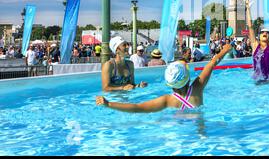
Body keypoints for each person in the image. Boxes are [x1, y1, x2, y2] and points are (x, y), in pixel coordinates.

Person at [96, 44, 232, 113]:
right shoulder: (197, 88)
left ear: (169, 84)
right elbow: (212, 63)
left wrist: (109, 104)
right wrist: (225, 50)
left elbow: (138, 108)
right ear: (187, 77)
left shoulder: (168, 100)